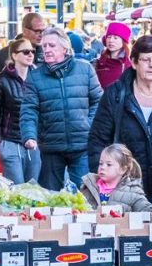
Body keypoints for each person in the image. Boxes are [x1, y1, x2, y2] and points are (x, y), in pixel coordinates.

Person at [87, 35, 152, 199]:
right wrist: (103, 179)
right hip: (124, 186)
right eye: (146, 60)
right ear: (133, 62)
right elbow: (98, 140)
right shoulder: (115, 94)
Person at [21, 27, 103, 190]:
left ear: (65, 48)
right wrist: (29, 135)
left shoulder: (85, 69)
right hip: (51, 145)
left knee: (84, 195)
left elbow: (98, 101)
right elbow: (29, 110)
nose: (47, 50)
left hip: (82, 144)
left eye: (51, 46)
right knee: (50, 197)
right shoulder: (35, 76)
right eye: (44, 46)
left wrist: (90, 125)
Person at [0, 37, 41, 184]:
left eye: (32, 51)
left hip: (34, 142)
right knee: (16, 189)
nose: (30, 55)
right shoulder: (2, 79)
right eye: (26, 52)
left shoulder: (38, 77)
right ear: (15, 55)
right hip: (10, 142)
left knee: (33, 190)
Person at [79, 144, 152, 212]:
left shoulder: (133, 190)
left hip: (121, 226)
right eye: (101, 163)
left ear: (122, 169)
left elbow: (147, 212)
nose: (102, 167)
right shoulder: (88, 186)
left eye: (109, 164)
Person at [94, 21, 133, 89]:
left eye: (115, 38)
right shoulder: (97, 63)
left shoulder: (130, 66)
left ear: (123, 41)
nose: (111, 40)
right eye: (109, 37)